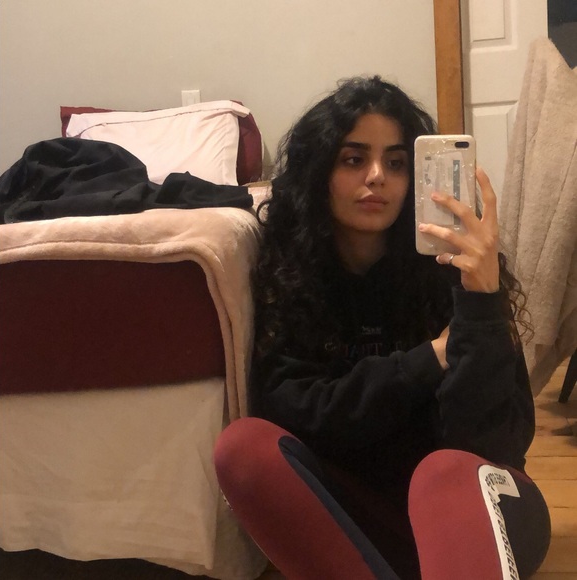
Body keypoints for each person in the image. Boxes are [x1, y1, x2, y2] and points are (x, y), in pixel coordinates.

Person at [214, 76, 551, 579]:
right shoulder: (293, 274)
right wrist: (428, 360)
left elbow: (492, 446)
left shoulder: (455, 270)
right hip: (363, 519)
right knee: (241, 449)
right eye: (354, 159)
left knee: (443, 472)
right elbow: (294, 412)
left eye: (396, 163)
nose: (377, 177)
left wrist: (481, 301)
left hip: (478, 512)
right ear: (320, 172)